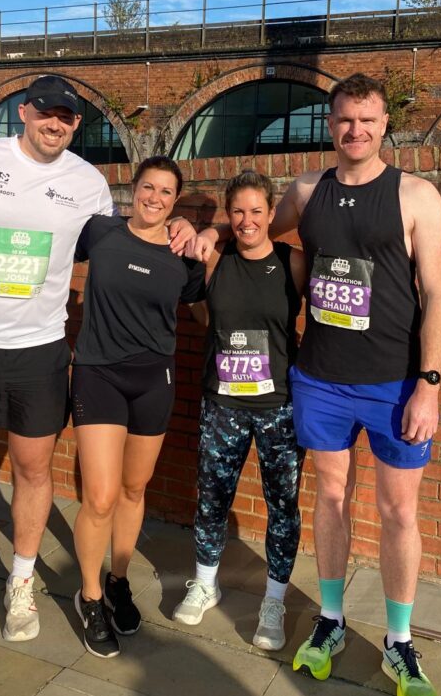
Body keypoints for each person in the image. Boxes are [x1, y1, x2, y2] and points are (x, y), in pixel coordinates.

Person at [0, 76, 194, 642]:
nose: (56, 123)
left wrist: (182, 225)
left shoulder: (88, 184)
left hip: (41, 349)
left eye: (68, 117)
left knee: (34, 471)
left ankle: (22, 585)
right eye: (47, 112)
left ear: (77, 124)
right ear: (24, 112)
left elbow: (129, 234)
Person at [193, 73, 441, 696]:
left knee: (398, 511)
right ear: (330, 125)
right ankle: (330, 621)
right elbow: (251, 226)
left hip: (393, 382)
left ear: (384, 125)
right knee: (331, 499)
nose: (355, 130)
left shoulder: (416, 196)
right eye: (344, 120)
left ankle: (399, 640)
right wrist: (210, 233)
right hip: (319, 379)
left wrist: (430, 384)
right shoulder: (308, 191)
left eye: (367, 120)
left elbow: (438, 292)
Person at [70, 156, 205, 659]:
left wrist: (200, 234)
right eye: (148, 187)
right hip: (98, 373)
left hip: (154, 380)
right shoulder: (100, 232)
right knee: (100, 497)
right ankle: (89, 596)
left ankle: (119, 580)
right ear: (133, 188)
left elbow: (203, 303)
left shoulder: (183, 254)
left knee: (132, 489)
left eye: (167, 193)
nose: (155, 198)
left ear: (176, 202)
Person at [171, 170, 307, 652]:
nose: (247, 221)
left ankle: (274, 599)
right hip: (223, 403)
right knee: (212, 497)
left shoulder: (293, 262)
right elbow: (201, 313)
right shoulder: (214, 259)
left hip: (279, 408)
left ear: (272, 215)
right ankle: (206, 583)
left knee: (282, 505)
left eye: (256, 211)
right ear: (228, 216)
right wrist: (212, 234)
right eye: (237, 212)